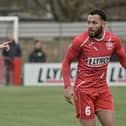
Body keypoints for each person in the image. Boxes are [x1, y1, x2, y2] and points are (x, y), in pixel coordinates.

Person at [62, 9, 126, 126]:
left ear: (103, 23)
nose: (90, 26)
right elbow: (66, 61)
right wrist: (67, 86)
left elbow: (123, 58)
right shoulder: (80, 41)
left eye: (94, 23)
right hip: (84, 92)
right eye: (89, 22)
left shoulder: (114, 40)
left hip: (103, 90)